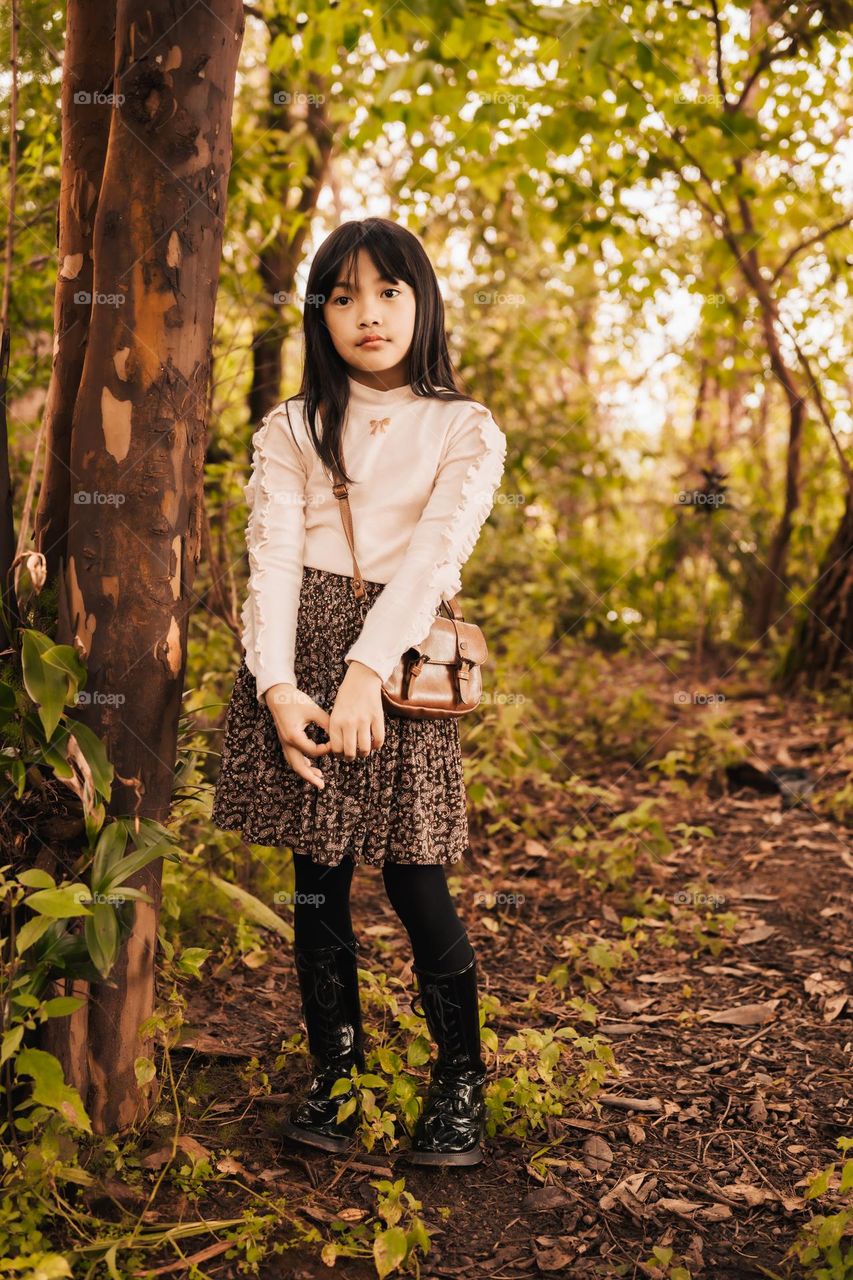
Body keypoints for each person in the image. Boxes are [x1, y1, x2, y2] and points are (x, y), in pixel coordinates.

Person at [212, 216, 507, 1168]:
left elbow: (432, 557)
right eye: (342, 296)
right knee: (316, 882)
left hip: (403, 661)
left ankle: (459, 1080)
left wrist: (365, 675)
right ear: (319, 314)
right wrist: (277, 687)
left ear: (421, 303)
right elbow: (271, 559)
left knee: (414, 875)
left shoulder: (463, 425)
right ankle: (336, 1076)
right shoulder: (292, 424)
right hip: (299, 657)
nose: (366, 314)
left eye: (387, 292)